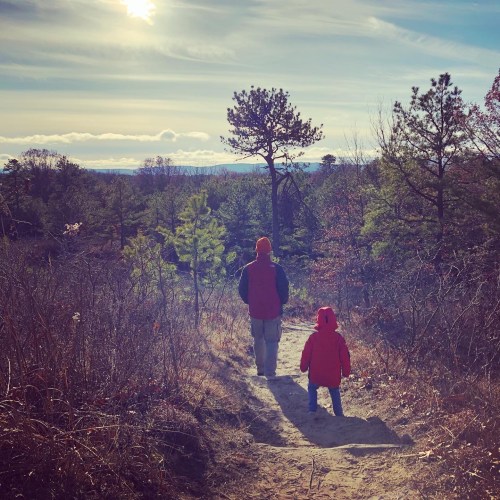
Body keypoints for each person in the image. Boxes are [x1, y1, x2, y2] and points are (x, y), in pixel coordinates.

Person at [238, 237, 289, 377]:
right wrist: (281, 302)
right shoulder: (277, 269)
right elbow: (284, 289)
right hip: (273, 311)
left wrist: (250, 301)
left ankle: (260, 370)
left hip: (255, 311)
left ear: (256, 251)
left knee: (258, 339)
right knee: (272, 341)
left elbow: (241, 289)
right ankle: (270, 371)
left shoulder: (248, 268)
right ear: (270, 251)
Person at [300, 307, 351, 416]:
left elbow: (306, 354)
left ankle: (312, 410)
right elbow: (345, 357)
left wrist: (303, 367)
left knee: (312, 387)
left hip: (316, 374)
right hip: (333, 375)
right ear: (333, 320)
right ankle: (339, 414)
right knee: (334, 390)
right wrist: (346, 372)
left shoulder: (313, 338)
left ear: (318, 320)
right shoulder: (338, 339)